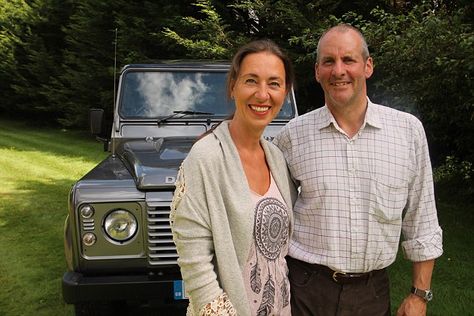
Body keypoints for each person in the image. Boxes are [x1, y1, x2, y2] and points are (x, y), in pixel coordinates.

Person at [274, 24, 443, 316]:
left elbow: (422, 219)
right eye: (328, 61)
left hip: (372, 292)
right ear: (317, 71)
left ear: (367, 66)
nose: (338, 70)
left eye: (348, 60)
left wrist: (419, 295)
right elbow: (271, 213)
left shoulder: (407, 132)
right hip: (305, 289)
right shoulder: (292, 136)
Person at [170, 39, 297, 316]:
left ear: (285, 93)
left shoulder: (276, 158)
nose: (263, 94)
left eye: (274, 84)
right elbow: (194, 261)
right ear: (233, 87)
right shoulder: (206, 157)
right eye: (251, 80)